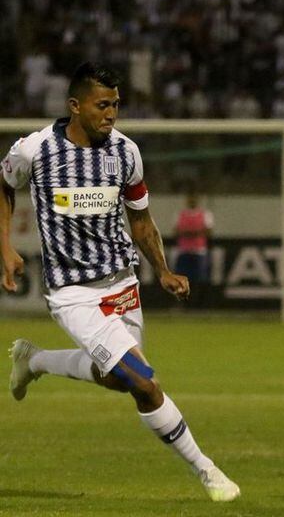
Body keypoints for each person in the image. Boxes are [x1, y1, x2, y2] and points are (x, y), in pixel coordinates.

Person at [0, 63, 239, 502]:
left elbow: (141, 219)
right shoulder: (35, 150)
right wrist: (5, 248)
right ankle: (208, 471)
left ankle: (34, 362)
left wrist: (163, 269)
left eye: (116, 104)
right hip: (73, 293)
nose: (111, 114)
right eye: (102, 104)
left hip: (123, 283)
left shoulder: (125, 152)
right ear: (75, 106)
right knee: (144, 382)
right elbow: (3, 183)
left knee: (115, 379)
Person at [174, 190, 213, 307]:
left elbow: (209, 232)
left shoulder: (205, 214)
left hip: (199, 251)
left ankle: (200, 304)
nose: (192, 201)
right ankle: (183, 304)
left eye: (194, 198)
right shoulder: (180, 214)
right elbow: (176, 231)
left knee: (200, 279)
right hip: (184, 250)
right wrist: (196, 232)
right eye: (190, 198)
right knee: (182, 279)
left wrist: (188, 232)